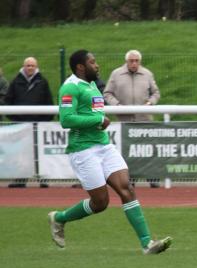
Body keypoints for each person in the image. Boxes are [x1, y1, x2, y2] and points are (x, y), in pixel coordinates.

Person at [48, 49, 172, 255]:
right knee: (100, 203)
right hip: (83, 150)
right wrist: (97, 120)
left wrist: (98, 121)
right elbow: (66, 119)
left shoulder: (92, 86)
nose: (97, 66)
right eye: (93, 62)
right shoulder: (70, 87)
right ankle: (59, 218)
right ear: (80, 66)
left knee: (127, 188)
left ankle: (147, 243)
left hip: (104, 146)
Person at [104, 50, 161, 188]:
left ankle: (152, 177)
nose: (134, 63)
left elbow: (156, 93)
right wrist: (117, 105)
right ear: (126, 61)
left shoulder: (147, 74)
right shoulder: (116, 74)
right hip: (125, 121)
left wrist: (149, 103)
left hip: (144, 120)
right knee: (127, 152)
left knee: (147, 150)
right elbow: (107, 93)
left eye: (136, 61)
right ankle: (131, 179)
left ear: (140, 61)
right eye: (131, 61)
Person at [5, 57, 54, 188]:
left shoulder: (42, 82)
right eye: (28, 65)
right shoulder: (15, 82)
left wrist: (43, 122)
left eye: (32, 65)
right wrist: (15, 120)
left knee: (39, 153)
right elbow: (7, 102)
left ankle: (42, 178)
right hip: (20, 126)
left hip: (38, 125)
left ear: (36, 67)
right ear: (24, 66)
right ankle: (20, 180)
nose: (30, 68)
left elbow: (49, 103)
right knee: (20, 153)